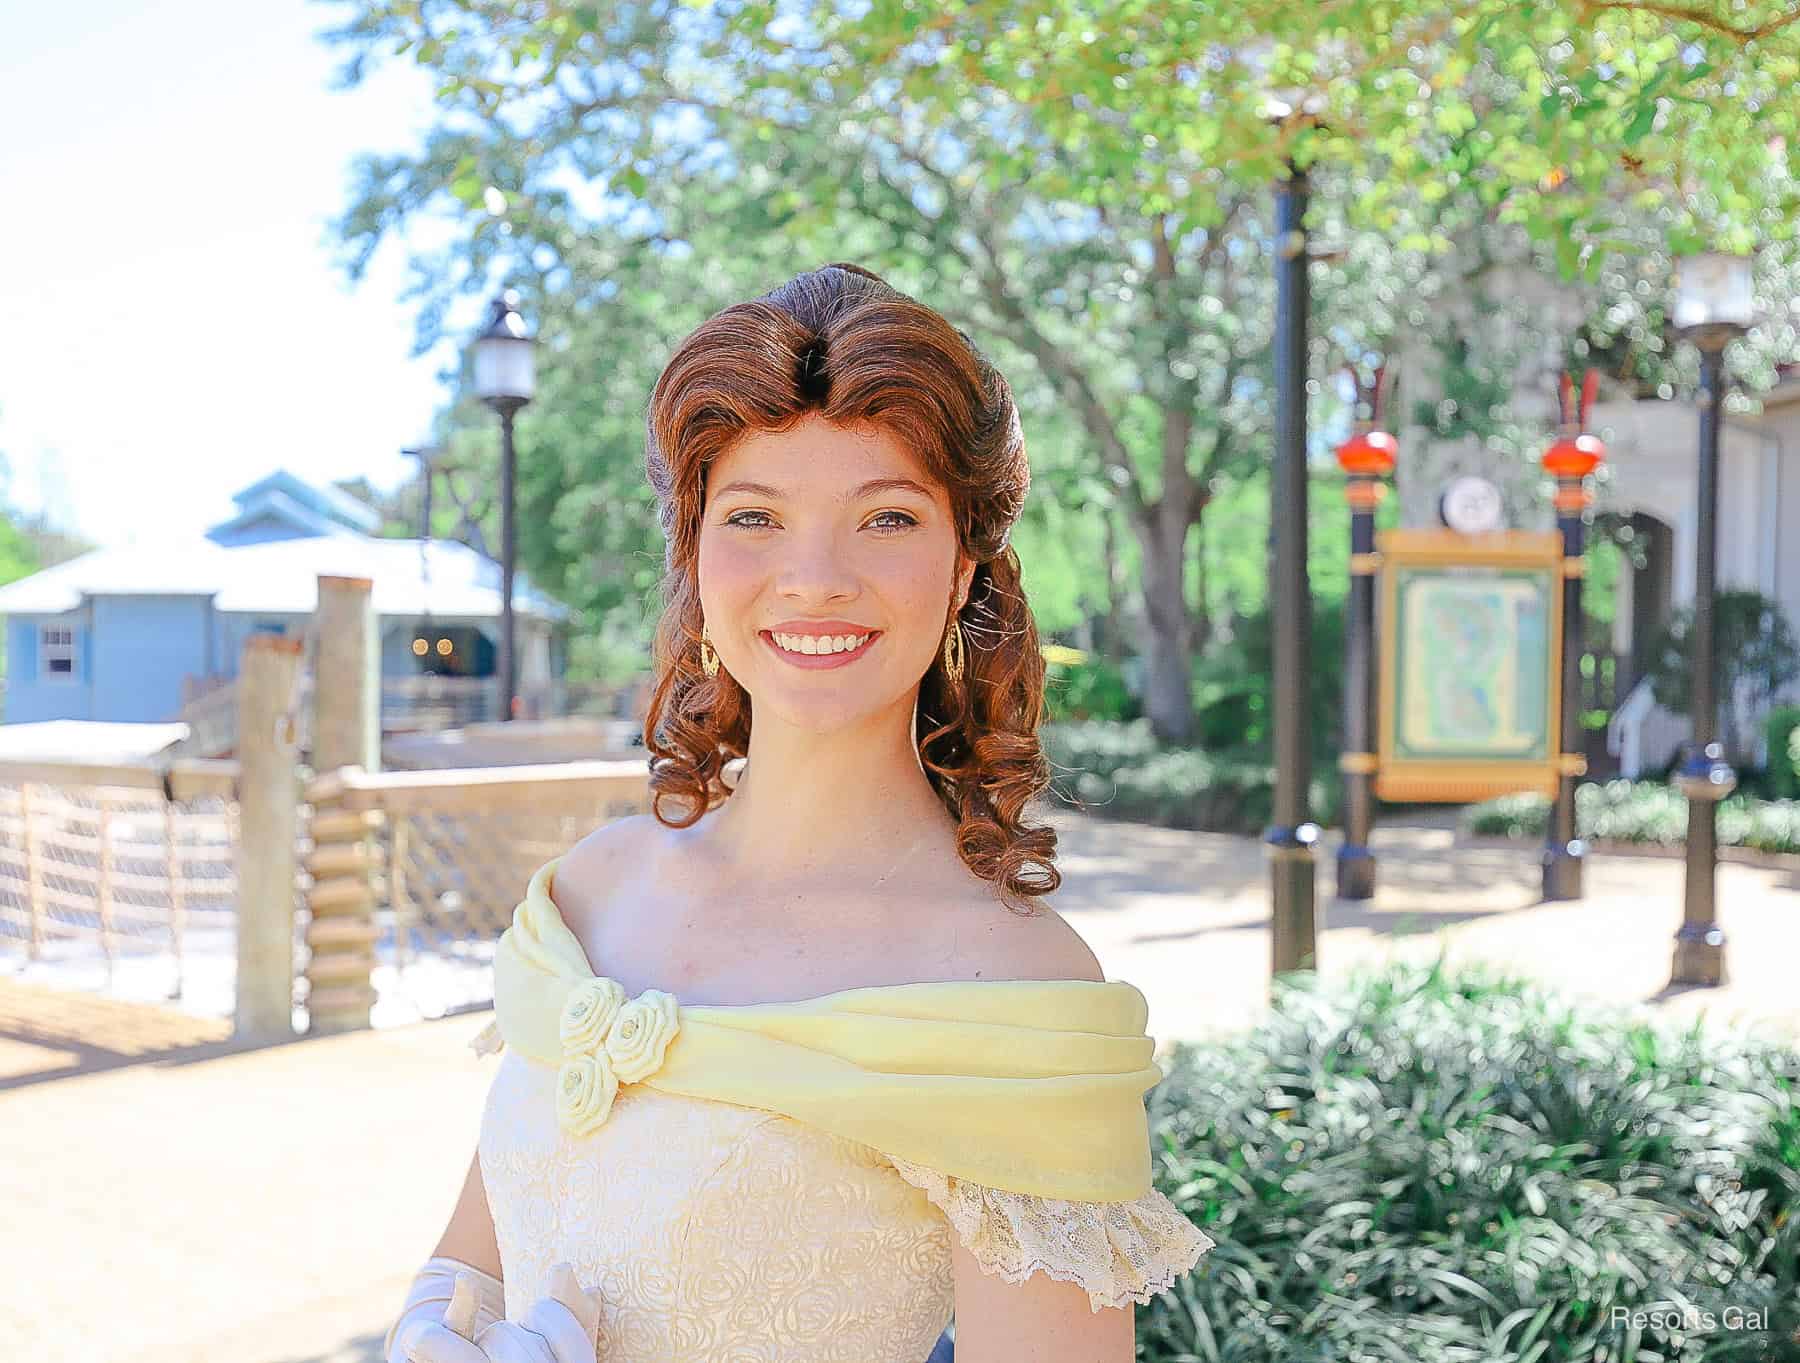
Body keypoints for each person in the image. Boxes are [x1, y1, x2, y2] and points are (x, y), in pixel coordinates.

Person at [384, 263, 1215, 1363]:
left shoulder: (1012, 988)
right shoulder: (591, 891)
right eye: (756, 516)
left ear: (965, 562)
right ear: (693, 549)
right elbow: (471, 1273)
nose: (814, 577)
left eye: (884, 517)